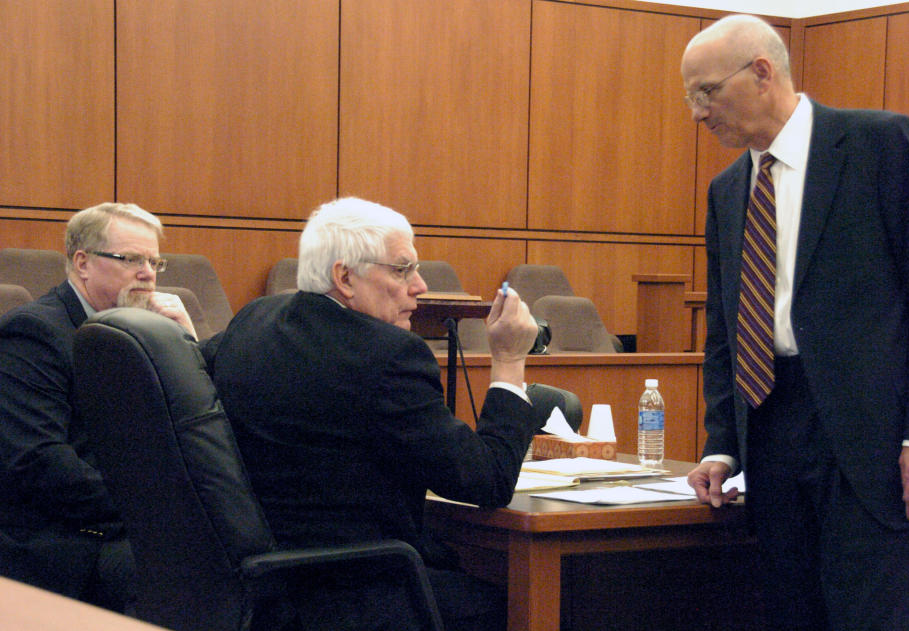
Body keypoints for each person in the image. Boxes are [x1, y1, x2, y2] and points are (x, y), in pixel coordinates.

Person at [680, 14, 909, 631]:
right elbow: (726, 332)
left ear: (761, 72)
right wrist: (723, 443)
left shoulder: (881, 144)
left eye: (707, 93)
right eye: (691, 98)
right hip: (771, 426)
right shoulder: (729, 190)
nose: (699, 114)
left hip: (877, 440)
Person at [205, 196, 543, 630]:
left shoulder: (252, 321)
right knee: (514, 604)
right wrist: (511, 359)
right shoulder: (387, 356)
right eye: (402, 270)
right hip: (355, 590)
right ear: (344, 276)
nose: (419, 286)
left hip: (258, 586)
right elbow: (487, 480)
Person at [0, 202, 196, 612]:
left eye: (155, 261)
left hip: (131, 521)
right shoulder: (33, 333)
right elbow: (39, 463)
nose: (148, 273)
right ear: (82, 262)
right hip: (63, 536)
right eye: (131, 259)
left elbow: (198, 428)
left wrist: (188, 343)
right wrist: (153, 508)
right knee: (195, 586)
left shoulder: (146, 330)